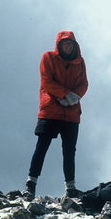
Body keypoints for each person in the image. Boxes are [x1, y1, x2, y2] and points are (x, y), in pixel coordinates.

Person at [23, 31, 88, 200]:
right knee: (42, 147)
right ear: (59, 44)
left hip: (71, 113)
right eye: (65, 43)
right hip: (51, 110)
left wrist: (75, 96)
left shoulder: (80, 62)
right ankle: (31, 184)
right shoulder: (48, 57)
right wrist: (66, 95)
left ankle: (70, 188)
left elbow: (84, 83)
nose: (68, 46)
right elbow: (47, 81)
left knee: (69, 151)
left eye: (71, 44)